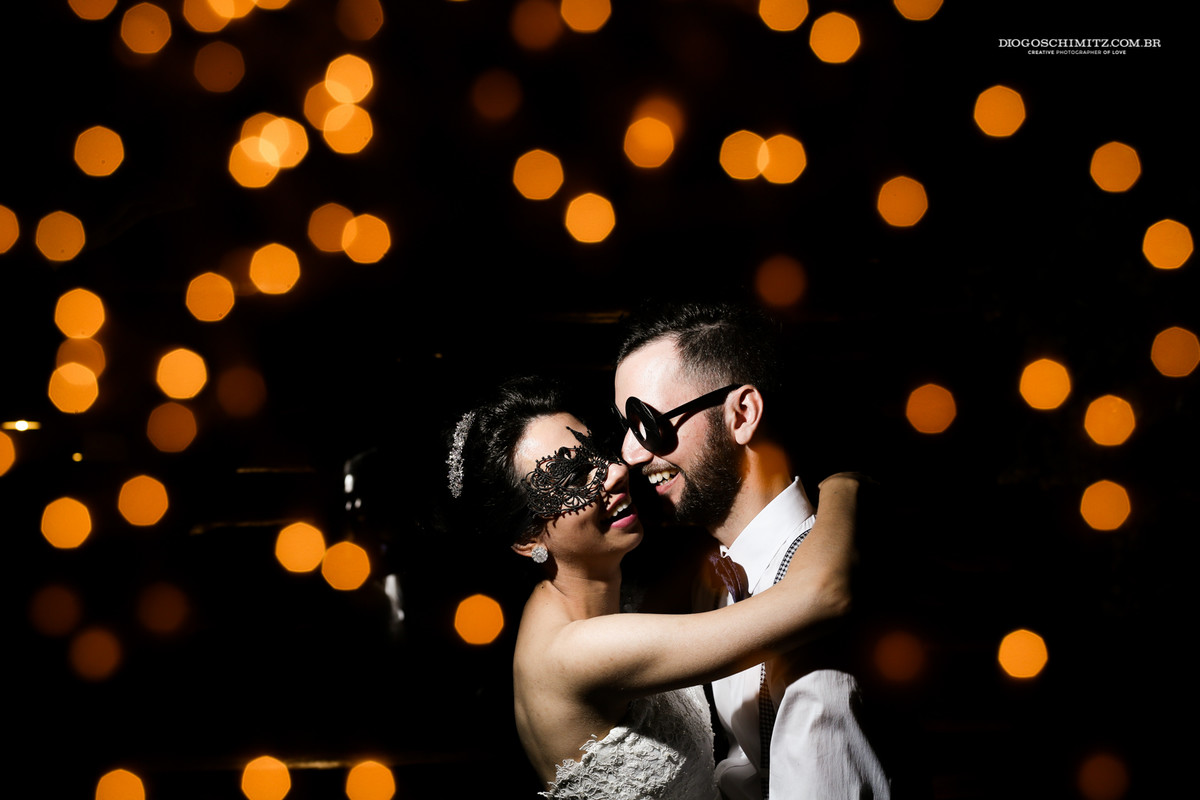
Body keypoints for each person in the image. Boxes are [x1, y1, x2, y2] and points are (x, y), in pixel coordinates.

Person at [444, 376, 866, 799]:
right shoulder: (578, 651)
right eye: (573, 478)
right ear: (527, 540)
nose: (613, 472)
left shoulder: (598, 608)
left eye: (598, 454)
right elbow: (822, 597)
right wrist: (843, 479)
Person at [612, 301, 891, 800]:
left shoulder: (809, 637)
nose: (630, 453)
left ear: (741, 414)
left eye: (648, 421)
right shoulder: (716, 579)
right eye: (624, 426)